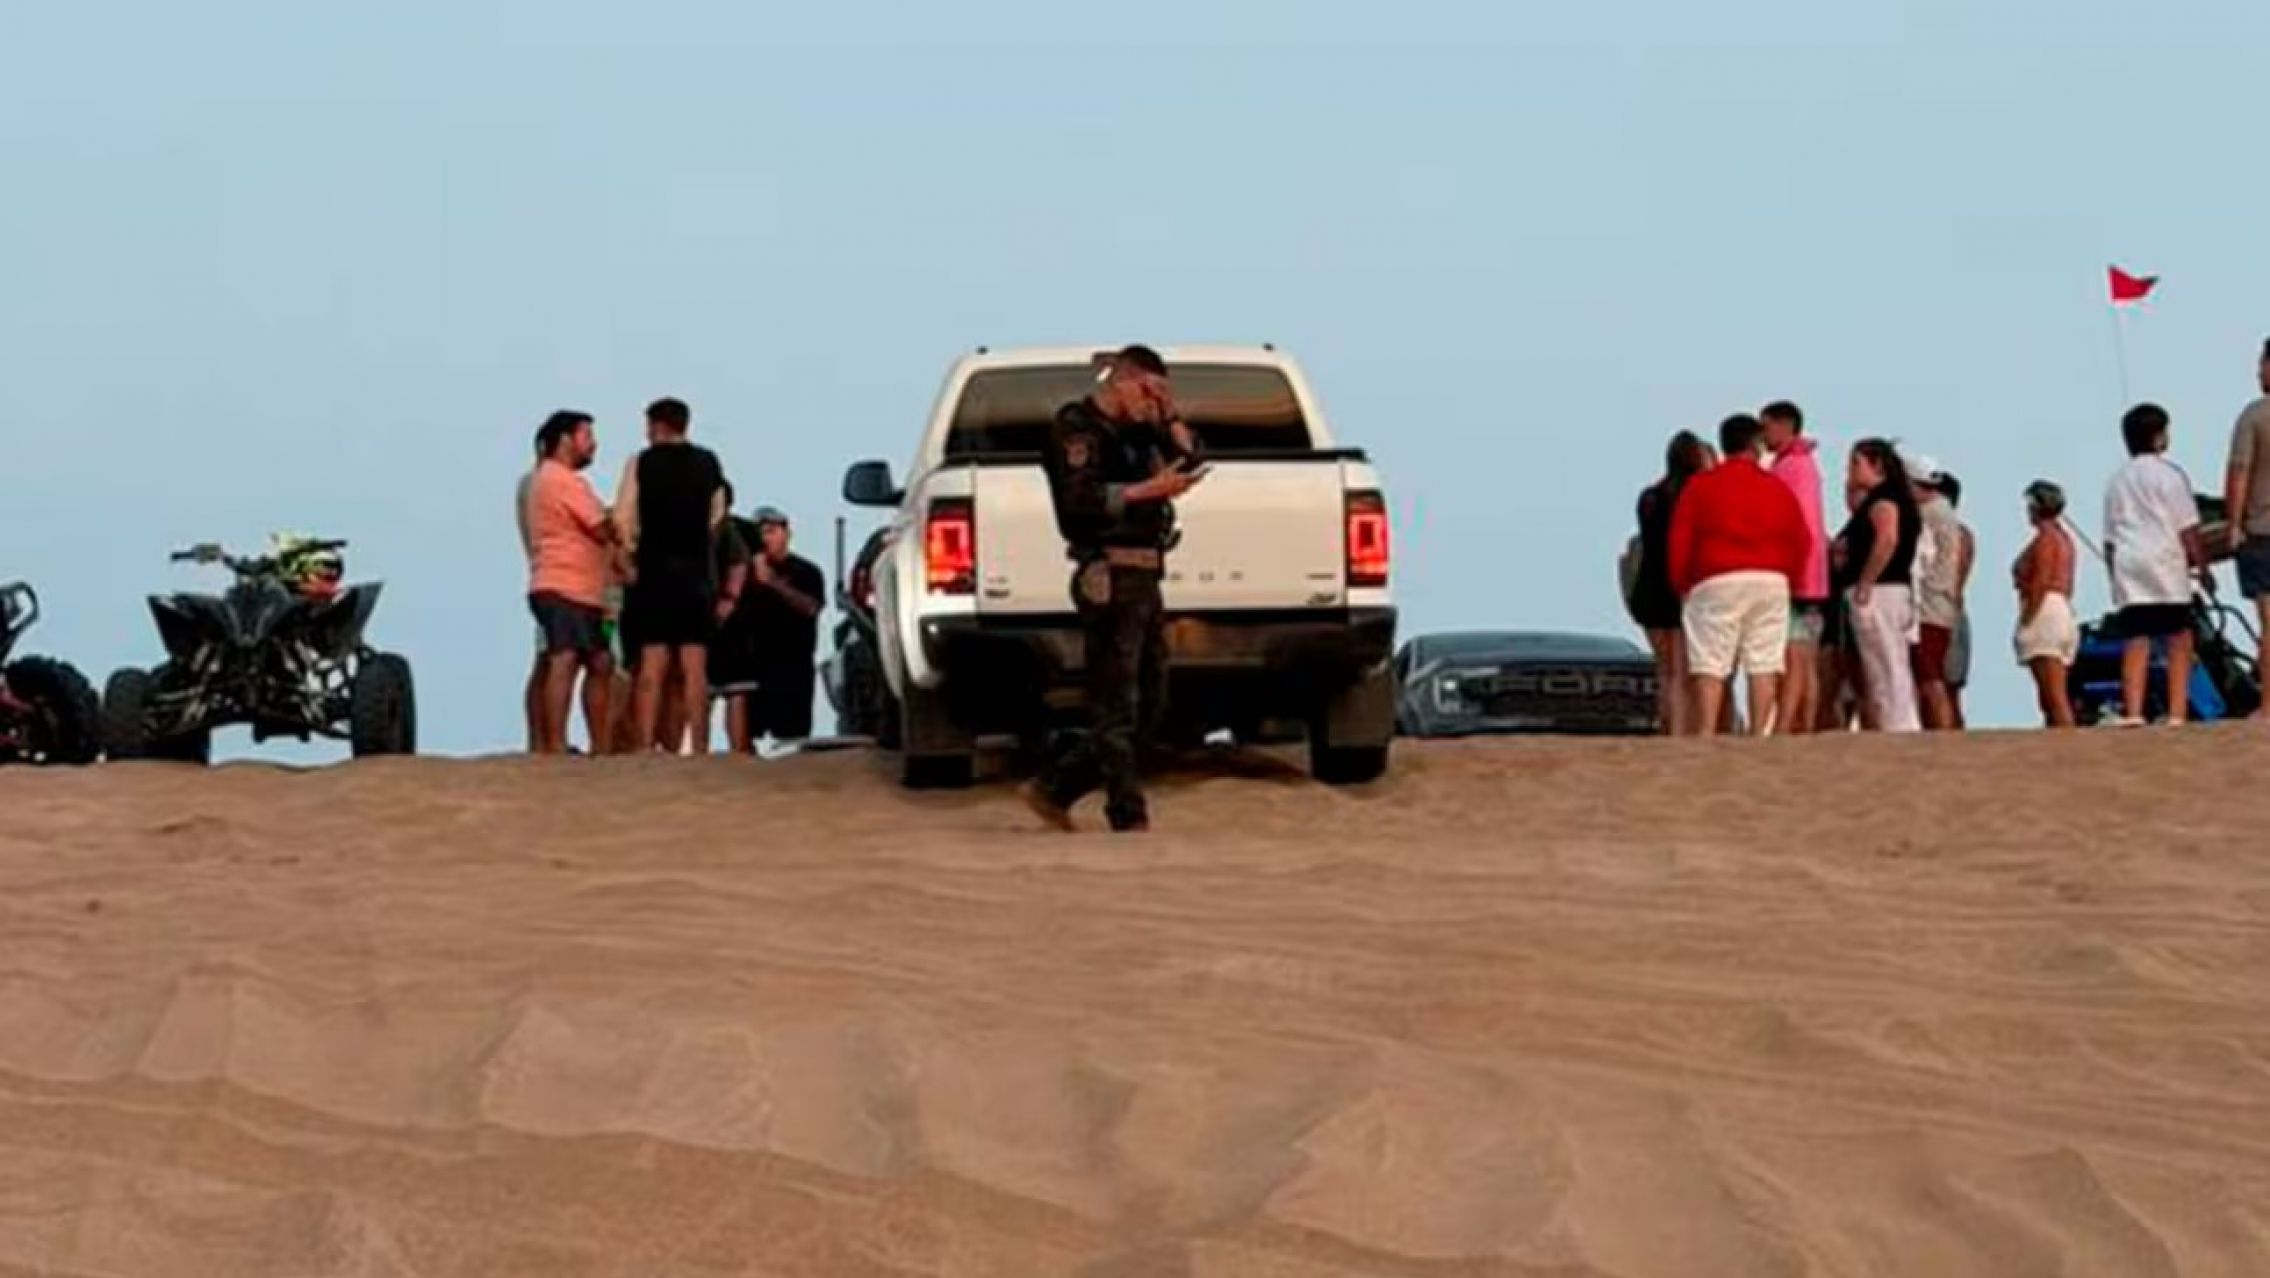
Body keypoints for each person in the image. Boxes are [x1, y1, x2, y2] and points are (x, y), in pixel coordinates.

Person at [1025, 345, 1204, 832]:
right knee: (1116, 699)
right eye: (1148, 391)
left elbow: (1192, 459)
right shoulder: (1077, 427)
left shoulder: (1143, 429)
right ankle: (1127, 815)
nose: (1152, 402)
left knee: (1152, 698)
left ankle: (1060, 784)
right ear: (1122, 382)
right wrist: (1149, 490)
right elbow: (1080, 501)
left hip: (1146, 573)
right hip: (1108, 571)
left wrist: (1169, 417)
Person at [1666, 414, 1810, 737]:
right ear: (1756, 445)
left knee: (1711, 661)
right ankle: (1760, 732)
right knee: (1763, 661)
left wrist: (1682, 581)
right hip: (1770, 577)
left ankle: (1706, 729)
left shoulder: (1701, 486)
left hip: (1716, 577)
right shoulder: (1776, 488)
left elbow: (1681, 537)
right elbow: (1801, 538)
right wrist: (1792, 577)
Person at [615, 397, 728, 754]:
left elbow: (623, 516)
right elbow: (717, 511)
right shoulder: (708, 462)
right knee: (695, 665)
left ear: (656, 425)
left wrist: (628, 552)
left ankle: (647, 743)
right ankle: (699, 744)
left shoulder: (642, 462)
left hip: (654, 568)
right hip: (695, 571)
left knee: (653, 662)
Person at [2104, 403, 2206, 726]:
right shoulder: (2171, 476)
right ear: (2158, 437)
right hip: (2165, 562)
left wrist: (2113, 575)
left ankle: (2133, 711)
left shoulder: (2117, 480)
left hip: (2130, 562)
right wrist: (2202, 565)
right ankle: (2177, 711)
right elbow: (2187, 528)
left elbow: (2110, 536)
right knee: (2179, 636)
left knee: (2136, 638)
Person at [524, 411, 616, 754]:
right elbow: (600, 527)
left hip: (579, 588)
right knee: (565, 658)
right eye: (587, 436)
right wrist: (617, 521)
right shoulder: (561, 479)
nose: (593, 445)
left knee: (599, 661)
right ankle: (556, 743)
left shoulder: (549, 478)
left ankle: (598, 743)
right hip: (564, 584)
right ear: (565, 439)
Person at [1834, 439, 1924, 733]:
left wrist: (1866, 581)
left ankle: (1897, 723)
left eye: (1856, 463)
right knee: (1886, 660)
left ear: (1877, 465)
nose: (1850, 470)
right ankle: (1897, 721)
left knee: (1883, 660)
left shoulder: (1884, 500)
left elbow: (1887, 539)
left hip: (1880, 590)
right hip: (1890, 589)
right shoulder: (1895, 499)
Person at [1632, 430, 1715, 735]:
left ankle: (1667, 725)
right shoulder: (1693, 498)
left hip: (1647, 586)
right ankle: (1679, 732)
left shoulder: (1650, 497)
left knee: (1665, 671)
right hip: (1678, 586)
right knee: (1681, 672)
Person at [1761, 401, 1829, 735]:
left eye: (1767, 426)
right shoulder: (1803, 464)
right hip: (1811, 574)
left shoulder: (1792, 467)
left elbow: (1796, 523)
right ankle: (1800, 721)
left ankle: (1787, 723)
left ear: (1784, 425)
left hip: (1799, 575)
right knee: (1803, 656)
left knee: (1794, 656)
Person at [737, 506, 826, 748]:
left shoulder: (807, 571)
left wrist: (773, 584)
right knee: (746, 736)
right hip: (754, 663)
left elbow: (811, 607)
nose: (766, 539)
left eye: (771, 531)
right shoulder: (741, 574)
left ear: (786, 533)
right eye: (760, 534)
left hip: (793, 664)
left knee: (793, 737)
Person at [2224, 337, 2270, 717]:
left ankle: (2269, 704)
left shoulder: (2254, 416)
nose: (2258, 372)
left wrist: (2234, 523)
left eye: (2262, 364)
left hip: (2262, 530)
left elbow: (2239, 472)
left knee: (2269, 623)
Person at [2013, 480, 2079, 728]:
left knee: (2053, 694)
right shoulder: (2064, 539)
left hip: (2045, 610)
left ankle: (2067, 741)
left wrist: (2028, 617)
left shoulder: (2045, 540)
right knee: (2052, 693)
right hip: (2062, 608)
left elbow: (2041, 579)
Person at [1908, 456, 1965, 731]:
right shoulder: (1943, 512)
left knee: (1929, 673)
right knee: (1929, 673)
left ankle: (1941, 729)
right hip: (1938, 601)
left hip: (1930, 601)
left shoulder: (1931, 513)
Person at [516, 423, 548, 752]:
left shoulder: (534, 483)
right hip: (555, 580)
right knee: (550, 660)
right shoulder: (538, 483)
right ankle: (543, 740)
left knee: (547, 660)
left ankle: (541, 739)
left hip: (545, 578)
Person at [1938, 472, 1978, 728]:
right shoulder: (1963, 533)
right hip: (1953, 610)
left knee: (1944, 686)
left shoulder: (1955, 533)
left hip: (1944, 610)